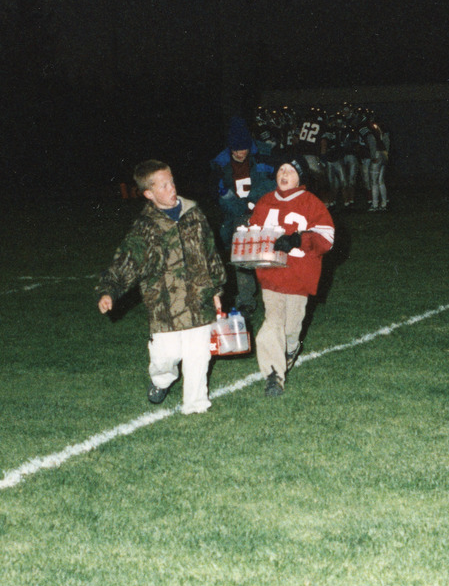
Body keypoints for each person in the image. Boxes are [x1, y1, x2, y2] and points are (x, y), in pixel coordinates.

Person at [96, 160, 226, 415]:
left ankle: (196, 405)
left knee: (199, 354)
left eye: (172, 182)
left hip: (199, 300)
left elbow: (211, 254)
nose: (172, 188)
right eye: (164, 186)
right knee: (165, 356)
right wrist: (108, 290)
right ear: (149, 194)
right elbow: (127, 261)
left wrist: (217, 290)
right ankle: (162, 380)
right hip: (164, 306)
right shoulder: (145, 228)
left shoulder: (195, 215)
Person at [245, 156, 335, 397]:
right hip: (272, 276)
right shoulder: (265, 201)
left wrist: (298, 239)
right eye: (281, 169)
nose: (284, 174)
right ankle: (273, 376)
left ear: (300, 177)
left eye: (291, 171)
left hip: (298, 277)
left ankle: (291, 349)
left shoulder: (311, 203)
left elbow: (327, 239)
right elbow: (253, 233)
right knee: (272, 323)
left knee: (291, 330)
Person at [211, 116, 276, 313]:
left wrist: (253, 202)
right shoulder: (220, 164)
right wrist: (235, 204)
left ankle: (273, 296)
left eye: (243, 148)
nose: (239, 153)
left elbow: (272, 184)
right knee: (241, 256)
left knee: (267, 256)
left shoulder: (263, 155)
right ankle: (246, 299)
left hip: (263, 211)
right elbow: (220, 196)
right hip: (237, 214)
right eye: (235, 149)